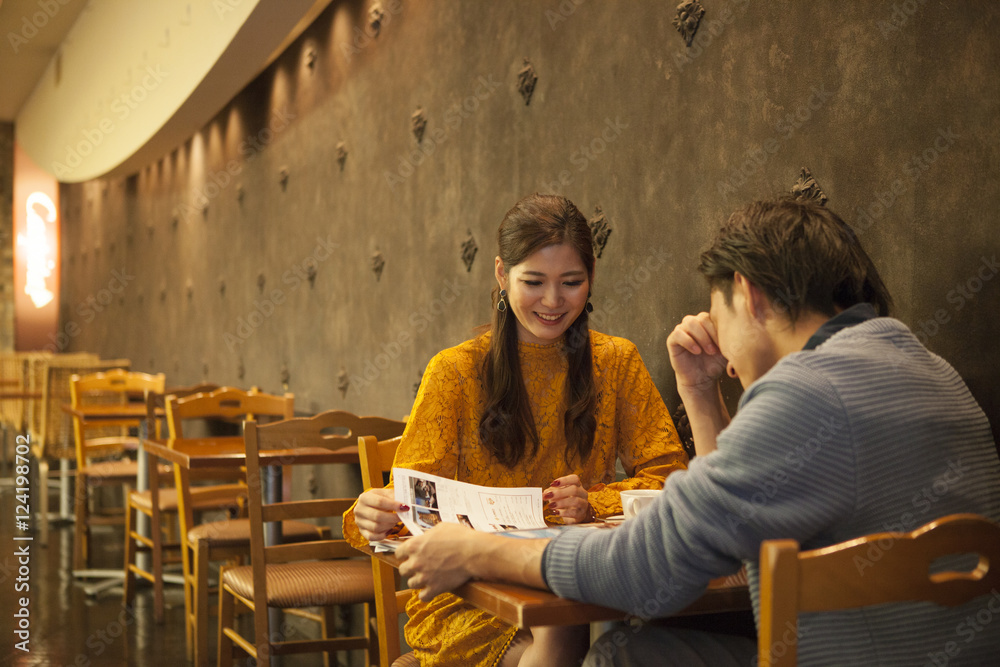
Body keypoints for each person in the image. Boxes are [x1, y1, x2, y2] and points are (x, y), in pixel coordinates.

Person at [394, 198, 1000, 666]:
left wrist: (476, 549)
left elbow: (649, 567)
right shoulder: (924, 364)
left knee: (623, 653)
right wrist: (701, 395)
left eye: (716, 308)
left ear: (749, 295)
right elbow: (730, 526)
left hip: (843, 654)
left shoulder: (806, 392)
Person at [344, 193, 688, 666]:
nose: (552, 301)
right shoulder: (456, 371)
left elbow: (671, 479)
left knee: (585, 626)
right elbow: (411, 505)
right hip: (472, 593)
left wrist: (593, 502)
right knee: (567, 631)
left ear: (591, 279)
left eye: (571, 282)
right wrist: (372, 512)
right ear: (502, 275)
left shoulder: (616, 361)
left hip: (575, 580)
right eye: (534, 282)